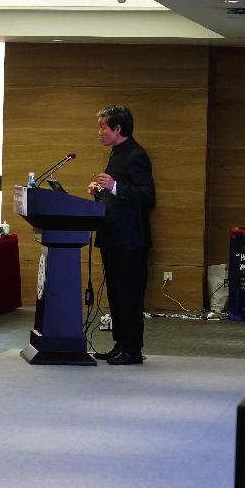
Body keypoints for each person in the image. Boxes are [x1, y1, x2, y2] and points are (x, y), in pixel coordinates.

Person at [87, 105, 155, 366]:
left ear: (118, 128)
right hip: (114, 237)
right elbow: (118, 196)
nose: (99, 132)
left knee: (129, 296)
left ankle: (133, 350)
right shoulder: (117, 152)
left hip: (130, 240)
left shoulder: (136, 154)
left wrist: (114, 186)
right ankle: (121, 344)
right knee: (115, 295)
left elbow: (148, 196)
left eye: (103, 127)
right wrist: (101, 192)